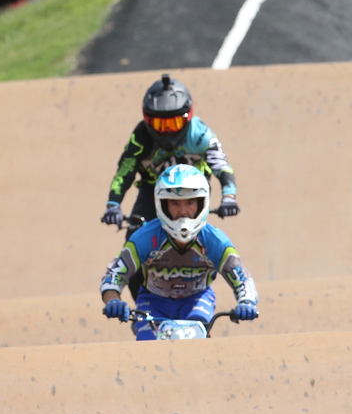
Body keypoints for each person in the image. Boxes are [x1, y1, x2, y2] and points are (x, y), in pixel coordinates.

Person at [100, 74, 240, 297]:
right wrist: (113, 205)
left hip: (194, 191)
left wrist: (229, 197)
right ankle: (143, 306)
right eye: (159, 124)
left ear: (187, 118)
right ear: (147, 120)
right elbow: (125, 171)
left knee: (201, 237)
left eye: (174, 123)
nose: (167, 131)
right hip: (152, 192)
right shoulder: (141, 137)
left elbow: (221, 165)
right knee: (135, 238)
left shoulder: (200, 133)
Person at [100, 165, 259, 340]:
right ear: (162, 204)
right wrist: (113, 301)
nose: (183, 212)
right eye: (175, 203)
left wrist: (247, 302)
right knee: (146, 349)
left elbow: (242, 279)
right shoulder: (144, 238)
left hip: (197, 299)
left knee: (197, 346)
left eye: (190, 202)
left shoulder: (215, 241)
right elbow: (114, 276)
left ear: (201, 203)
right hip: (153, 301)